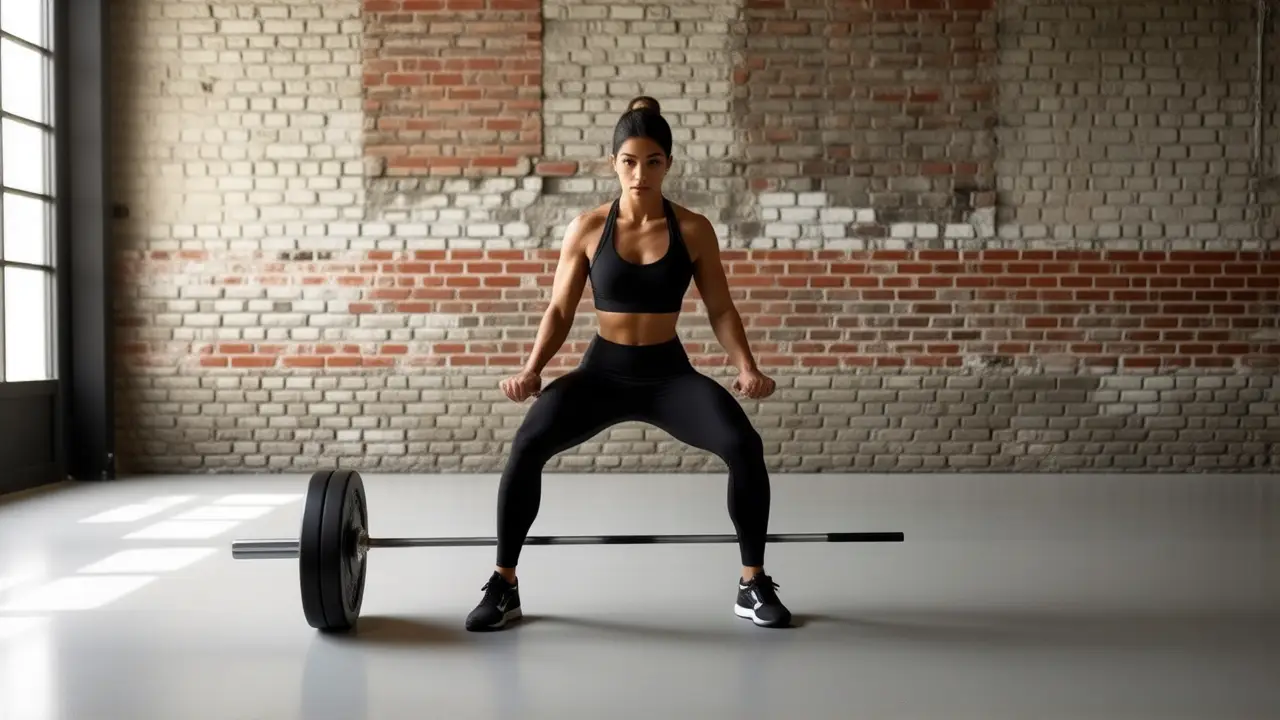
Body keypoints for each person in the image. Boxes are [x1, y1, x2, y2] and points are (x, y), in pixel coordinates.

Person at [465, 96, 791, 631]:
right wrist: (531, 369)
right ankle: (505, 583)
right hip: (602, 374)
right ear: (613, 162)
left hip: (668, 376)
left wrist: (747, 367)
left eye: (653, 162)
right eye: (630, 161)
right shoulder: (588, 228)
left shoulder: (693, 229)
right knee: (528, 443)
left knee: (743, 444)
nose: (641, 174)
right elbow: (560, 309)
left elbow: (721, 308)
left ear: (669, 164)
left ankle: (751, 582)